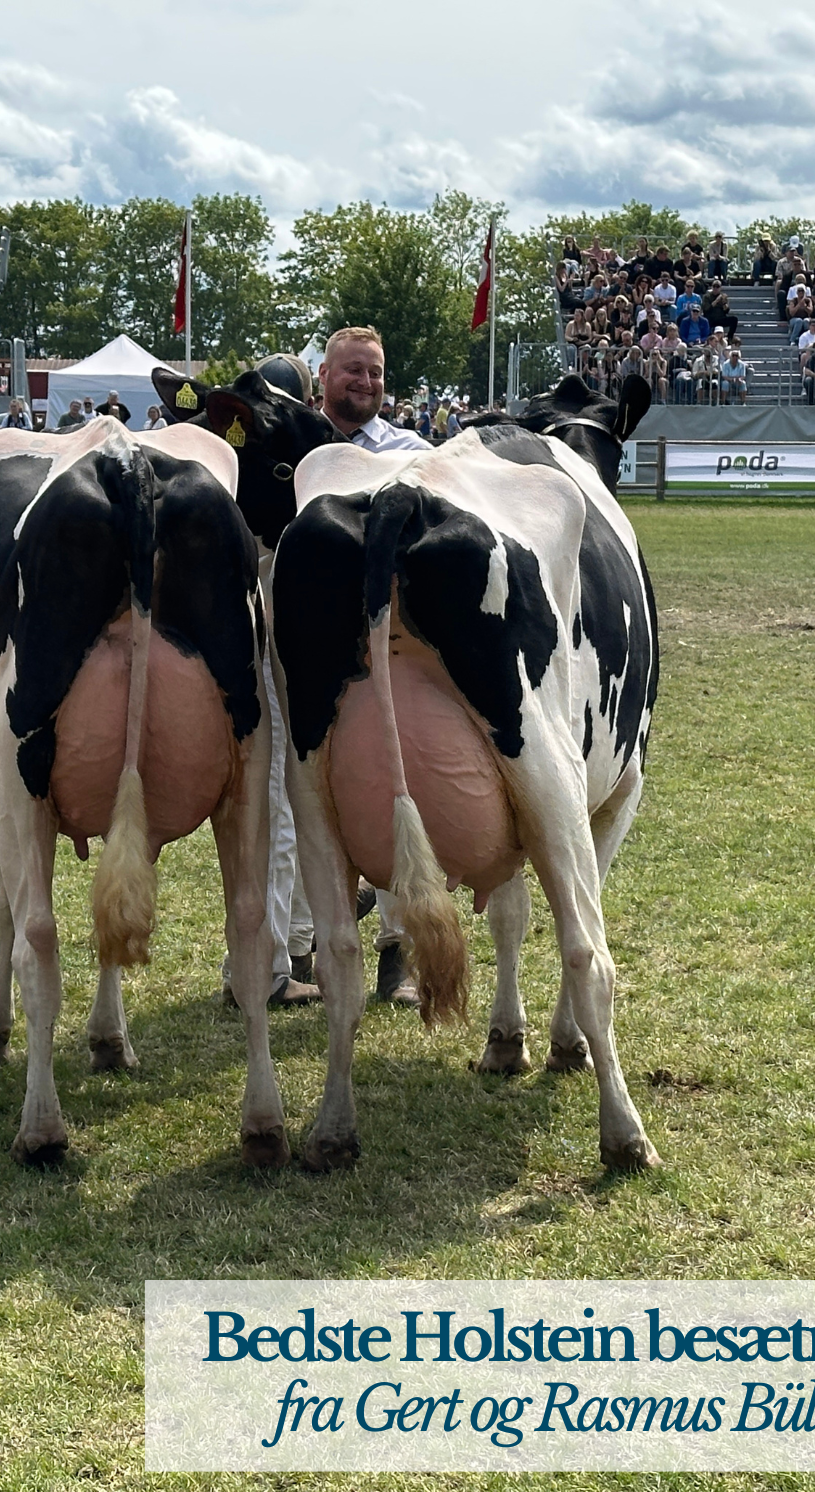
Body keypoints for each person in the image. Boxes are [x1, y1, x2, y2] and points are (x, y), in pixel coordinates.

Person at [317, 326, 431, 1007]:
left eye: (376, 374)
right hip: (297, 642)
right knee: (289, 793)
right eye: (353, 371)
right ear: (323, 374)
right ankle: (291, 948)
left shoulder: (413, 454)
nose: (365, 382)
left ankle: (398, 950)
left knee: (394, 782)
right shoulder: (292, 442)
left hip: (387, 645)